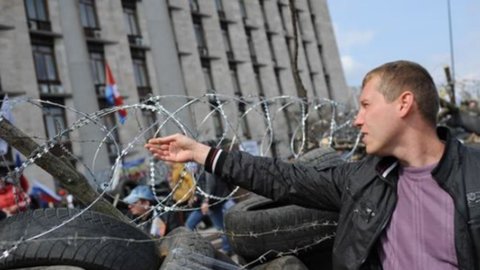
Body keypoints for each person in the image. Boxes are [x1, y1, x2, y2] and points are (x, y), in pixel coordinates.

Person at [145, 60, 480, 269]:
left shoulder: (474, 174)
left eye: (366, 105)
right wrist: (202, 153)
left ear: (404, 103)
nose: (358, 120)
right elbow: (284, 178)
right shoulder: (363, 180)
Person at [185, 170, 234, 255]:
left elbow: (210, 184)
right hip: (202, 204)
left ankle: (227, 249)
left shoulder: (204, 168)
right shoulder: (195, 171)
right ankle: (195, 250)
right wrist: (195, 197)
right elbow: (200, 186)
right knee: (189, 225)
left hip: (211, 204)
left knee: (221, 228)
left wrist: (205, 201)